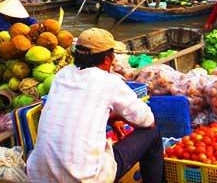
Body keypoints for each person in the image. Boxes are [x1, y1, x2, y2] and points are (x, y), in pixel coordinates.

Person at [27, 28, 163, 183]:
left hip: (39, 175)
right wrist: (119, 116)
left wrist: (112, 118)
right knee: (153, 133)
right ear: (107, 59)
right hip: (85, 179)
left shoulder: (62, 75)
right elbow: (147, 120)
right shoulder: (109, 82)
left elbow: (78, 111)